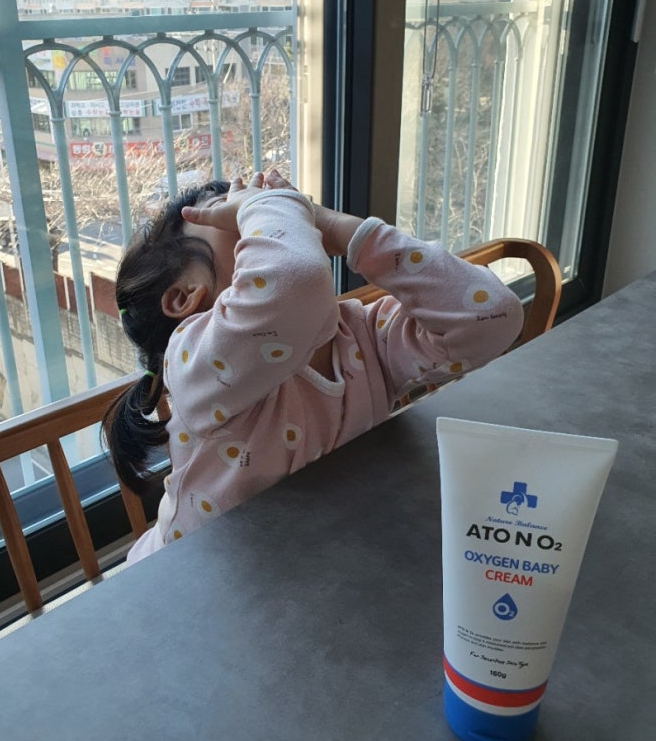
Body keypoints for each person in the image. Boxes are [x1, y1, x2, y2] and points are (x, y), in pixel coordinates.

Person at [103, 169, 524, 563]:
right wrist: (271, 206)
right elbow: (292, 282)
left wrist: (343, 230)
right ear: (185, 298)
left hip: (317, 563)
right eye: (232, 212)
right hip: (185, 577)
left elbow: (492, 317)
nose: (259, 207)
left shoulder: (365, 335)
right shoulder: (194, 362)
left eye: (254, 205)